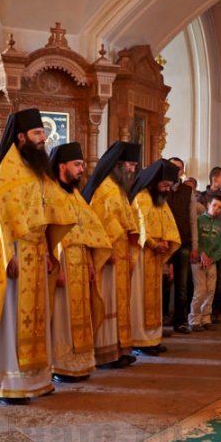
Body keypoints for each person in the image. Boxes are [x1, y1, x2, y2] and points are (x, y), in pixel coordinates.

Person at [0, 108, 76, 405]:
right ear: (21, 136)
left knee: (36, 318)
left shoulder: (37, 169)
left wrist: (48, 249)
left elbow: (51, 208)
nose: (42, 139)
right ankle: (7, 383)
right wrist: (8, 255)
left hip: (36, 251)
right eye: (37, 133)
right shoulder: (7, 170)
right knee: (10, 318)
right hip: (13, 254)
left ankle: (37, 380)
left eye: (43, 133)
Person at [49, 142, 111, 382]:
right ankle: (61, 366)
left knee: (81, 314)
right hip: (62, 262)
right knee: (62, 316)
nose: (82, 169)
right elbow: (50, 231)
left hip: (81, 261)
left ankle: (80, 364)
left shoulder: (75, 195)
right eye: (77, 164)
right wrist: (57, 266)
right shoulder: (51, 192)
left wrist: (91, 264)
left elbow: (89, 230)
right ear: (62, 166)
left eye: (82, 165)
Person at [81, 141, 141, 369]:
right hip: (107, 256)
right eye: (130, 165)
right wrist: (107, 248)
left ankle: (119, 348)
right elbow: (97, 221)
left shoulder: (118, 187)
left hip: (121, 253)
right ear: (118, 164)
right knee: (108, 301)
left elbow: (126, 218)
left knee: (120, 302)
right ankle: (105, 353)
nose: (133, 170)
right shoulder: (105, 188)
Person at [129, 159, 181, 356]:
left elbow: (168, 223)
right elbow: (138, 225)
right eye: (165, 185)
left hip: (156, 255)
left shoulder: (160, 200)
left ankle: (153, 338)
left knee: (155, 298)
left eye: (169, 186)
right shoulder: (141, 198)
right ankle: (139, 339)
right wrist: (153, 243)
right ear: (155, 181)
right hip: (142, 254)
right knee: (140, 297)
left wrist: (166, 241)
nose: (167, 189)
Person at [163, 157, 199, 334]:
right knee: (164, 282)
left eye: (177, 168)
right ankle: (162, 319)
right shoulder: (162, 189)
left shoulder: (187, 190)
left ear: (182, 172)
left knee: (182, 284)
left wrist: (195, 246)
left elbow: (193, 219)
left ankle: (180, 320)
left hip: (184, 242)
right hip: (165, 242)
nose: (174, 171)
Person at [196, 167, 221, 323]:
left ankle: (213, 312)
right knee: (200, 287)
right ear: (215, 179)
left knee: (219, 281)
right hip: (203, 247)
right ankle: (196, 316)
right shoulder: (201, 197)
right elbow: (197, 220)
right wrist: (201, 252)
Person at [190, 195, 221, 331]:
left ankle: (206, 319)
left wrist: (212, 259)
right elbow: (194, 240)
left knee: (210, 291)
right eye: (214, 205)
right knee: (200, 291)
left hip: (211, 263)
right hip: (197, 261)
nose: (216, 209)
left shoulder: (219, 226)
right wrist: (201, 254)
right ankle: (194, 320)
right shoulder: (198, 220)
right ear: (209, 204)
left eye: (220, 207)